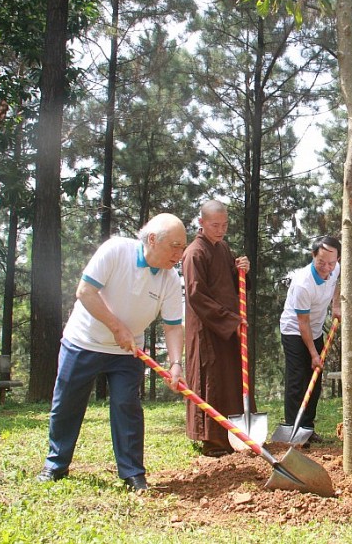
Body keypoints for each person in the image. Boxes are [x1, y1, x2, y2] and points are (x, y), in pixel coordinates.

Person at [37, 213, 188, 492]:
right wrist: (117, 327)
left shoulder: (170, 278)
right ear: (153, 240)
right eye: (175, 247)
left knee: (126, 405)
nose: (179, 254)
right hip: (84, 342)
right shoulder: (115, 250)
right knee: (68, 402)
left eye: (183, 248)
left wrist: (176, 363)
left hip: (128, 353)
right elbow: (85, 292)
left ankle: (133, 473)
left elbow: (173, 326)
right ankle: (56, 464)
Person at [182, 200, 250, 458]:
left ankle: (233, 434)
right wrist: (228, 320)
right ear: (201, 222)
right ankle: (212, 439)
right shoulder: (194, 253)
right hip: (209, 329)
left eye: (225, 225)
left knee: (230, 378)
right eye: (215, 225)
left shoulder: (222, 248)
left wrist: (242, 270)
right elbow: (196, 295)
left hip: (229, 325)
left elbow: (232, 281)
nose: (221, 230)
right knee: (211, 380)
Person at [279, 236, 342, 443]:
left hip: (314, 330)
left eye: (331, 263)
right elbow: (302, 322)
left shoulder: (335, 268)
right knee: (298, 379)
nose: (326, 268)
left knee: (314, 382)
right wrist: (314, 354)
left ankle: (307, 428)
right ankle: (293, 431)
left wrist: (336, 306)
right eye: (321, 262)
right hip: (294, 331)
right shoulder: (303, 284)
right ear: (313, 255)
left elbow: (336, 283)